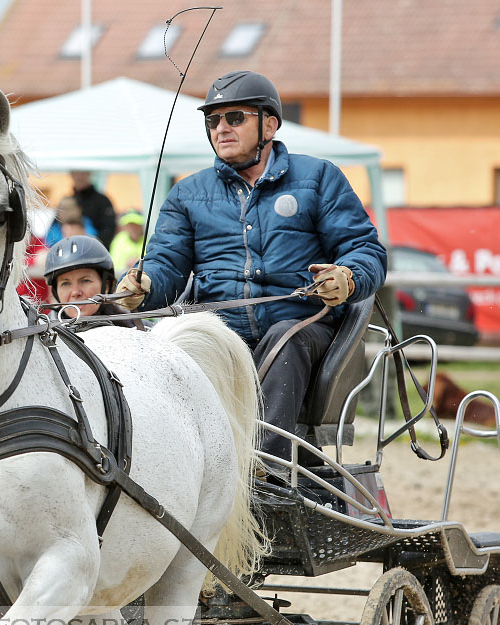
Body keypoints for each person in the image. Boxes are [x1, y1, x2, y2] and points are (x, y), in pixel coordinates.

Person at [116, 70, 387, 462]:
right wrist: (144, 285)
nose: (221, 128)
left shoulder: (319, 178)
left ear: (270, 125)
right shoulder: (187, 194)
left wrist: (347, 276)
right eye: (213, 120)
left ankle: (265, 468)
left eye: (234, 118)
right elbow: (166, 266)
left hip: (302, 327)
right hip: (220, 331)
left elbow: (365, 249)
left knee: (284, 339)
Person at [44, 236, 140, 330]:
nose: (75, 292)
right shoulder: (42, 333)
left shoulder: (134, 329)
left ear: (106, 286)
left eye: (85, 281)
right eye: (65, 284)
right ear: (56, 291)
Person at [71, 170, 116, 247]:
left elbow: (109, 228)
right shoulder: (68, 201)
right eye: (76, 173)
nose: (79, 177)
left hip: (96, 248)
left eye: (83, 173)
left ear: (89, 174)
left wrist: (93, 243)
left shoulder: (102, 201)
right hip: (70, 247)